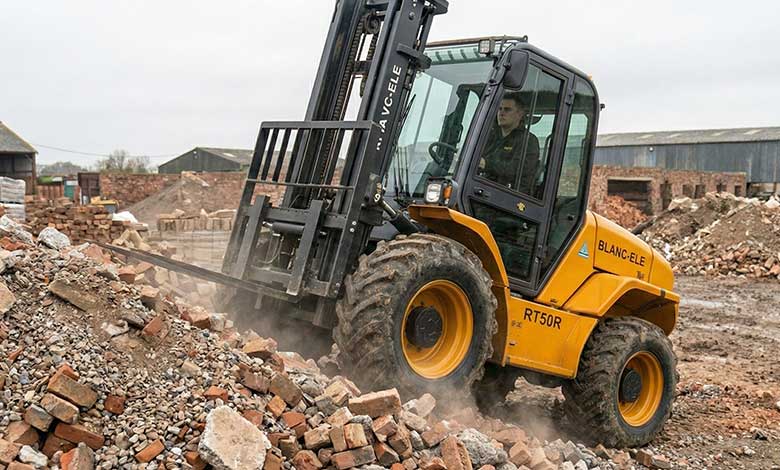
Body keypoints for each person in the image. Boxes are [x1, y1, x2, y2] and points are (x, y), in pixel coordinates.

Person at [480, 92, 541, 195]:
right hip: (484, 190)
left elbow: (516, 169)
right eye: (500, 109)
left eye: (507, 109)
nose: (501, 113)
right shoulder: (490, 137)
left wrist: (486, 164)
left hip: (510, 197)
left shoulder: (528, 141)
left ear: (519, 114)